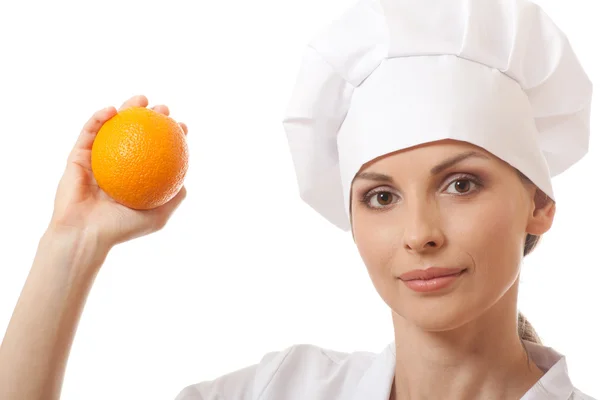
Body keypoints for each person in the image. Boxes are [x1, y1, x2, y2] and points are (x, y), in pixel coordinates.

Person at [0, 0, 596, 399]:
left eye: (460, 184)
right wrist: (71, 245)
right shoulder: (284, 390)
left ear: (539, 201)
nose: (419, 232)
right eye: (381, 195)